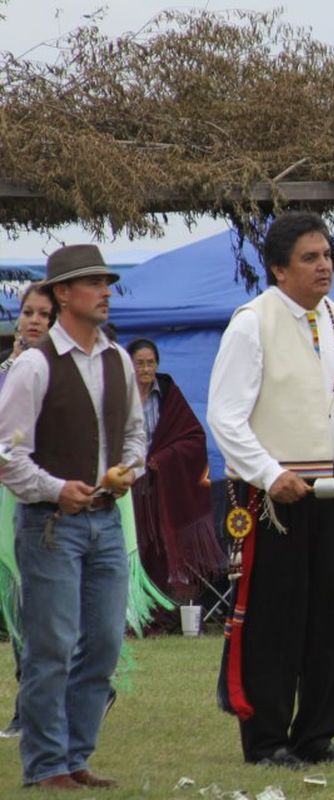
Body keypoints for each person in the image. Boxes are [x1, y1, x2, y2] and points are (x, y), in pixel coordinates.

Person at [207, 212, 334, 767]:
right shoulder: (253, 322)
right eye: (310, 257)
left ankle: (316, 735)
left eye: (327, 255)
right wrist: (268, 471)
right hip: (274, 496)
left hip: (330, 491)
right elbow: (226, 417)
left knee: (329, 614)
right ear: (279, 269)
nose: (324, 266)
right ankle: (269, 739)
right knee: (276, 618)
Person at [0, 245, 145, 789]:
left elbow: (135, 434)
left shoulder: (118, 358)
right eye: (94, 283)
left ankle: (75, 757)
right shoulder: (34, 366)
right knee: (52, 647)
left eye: (107, 282)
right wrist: (57, 489)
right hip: (49, 525)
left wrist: (131, 468)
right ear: (63, 293)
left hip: (106, 520)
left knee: (104, 644)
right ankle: (45, 766)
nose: (106, 291)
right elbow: (6, 454)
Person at [127, 338, 223, 608]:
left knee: (159, 547)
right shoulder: (120, 396)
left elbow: (193, 437)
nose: (146, 369)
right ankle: (133, 609)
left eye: (151, 363)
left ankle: (162, 611)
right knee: (133, 546)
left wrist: (164, 458)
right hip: (128, 483)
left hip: (160, 487)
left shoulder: (168, 394)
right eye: (140, 363)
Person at [0, 283, 55, 740]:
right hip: (8, 498)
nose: (34, 320)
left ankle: (34, 710)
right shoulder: (7, 371)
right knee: (22, 609)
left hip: (47, 501)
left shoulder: (61, 372)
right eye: (28, 312)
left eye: (44, 314)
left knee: (43, 611)